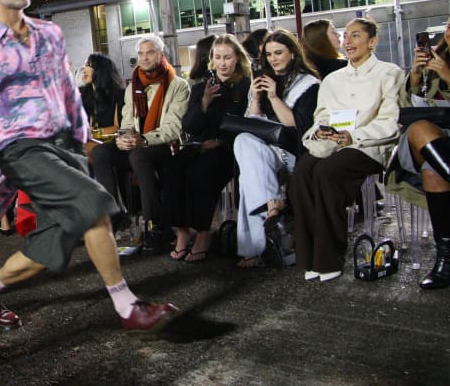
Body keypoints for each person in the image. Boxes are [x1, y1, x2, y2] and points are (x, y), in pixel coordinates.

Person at [0, 0, 179, 331]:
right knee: (92, 205)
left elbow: (67, 94)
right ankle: (127, 307)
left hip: (63, 146)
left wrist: (84, 140)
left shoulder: (49, 33)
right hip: (20, 149)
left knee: (52, 244)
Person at [289, 18, 404, 282]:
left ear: (372, 41)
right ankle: (309, 257)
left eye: (356, 35)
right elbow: (322, 115)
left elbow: (391, 122)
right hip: (333, 143)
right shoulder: (332, 79)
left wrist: (354, 136)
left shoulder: (389, 73)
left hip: (369, 145)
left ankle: (329, 258)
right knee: (301, 172)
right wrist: (321, 130)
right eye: (346, 36)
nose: (348, 41)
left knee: (326, 172)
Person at [90, 34, 190, 252]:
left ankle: (155, 225)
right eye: (141, 54)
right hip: (137, 143)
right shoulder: (132, 86)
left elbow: (174, 128)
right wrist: (123, 138)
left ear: (161, 55)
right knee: (100, 153)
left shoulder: (178, 85)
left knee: (138, 155)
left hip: (165, 146)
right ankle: (117, 217)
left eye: (150, 52)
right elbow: (127, 122)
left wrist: (142, 140)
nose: (144, 58)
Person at [233, 29, 320, 268]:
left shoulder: (308, 84)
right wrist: (256, 98)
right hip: (265, 150)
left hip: (293, 150)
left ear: (293, 53)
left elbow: (297, 126)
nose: (273, 59)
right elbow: (252, 124)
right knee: (243, 142)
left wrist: (273, 97)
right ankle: (273, 206)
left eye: (279, 53)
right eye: (269, 54)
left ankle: (255, 248)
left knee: (249, 176)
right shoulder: (264, 79)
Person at [162, 34, 251, 261]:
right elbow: (189, 126)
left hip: (229, 147)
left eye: (227, 57)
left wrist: (221, 141)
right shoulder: (202, 87)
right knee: (173, 168)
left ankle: (203, 232)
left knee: (201, 172)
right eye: (218, 57)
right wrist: (204, 102)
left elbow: (245, 122)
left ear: (237, 58)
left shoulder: (245, 86)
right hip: (199, 143)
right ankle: (182, 231)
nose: (222, 63)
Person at [387, 16, 450, 289]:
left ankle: (446, 259)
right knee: (418, 128)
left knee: (433, 171)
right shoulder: (435, 59)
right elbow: (407, 107)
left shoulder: (443, 65)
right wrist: (414, 76)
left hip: (438, 150)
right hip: (428, 137)